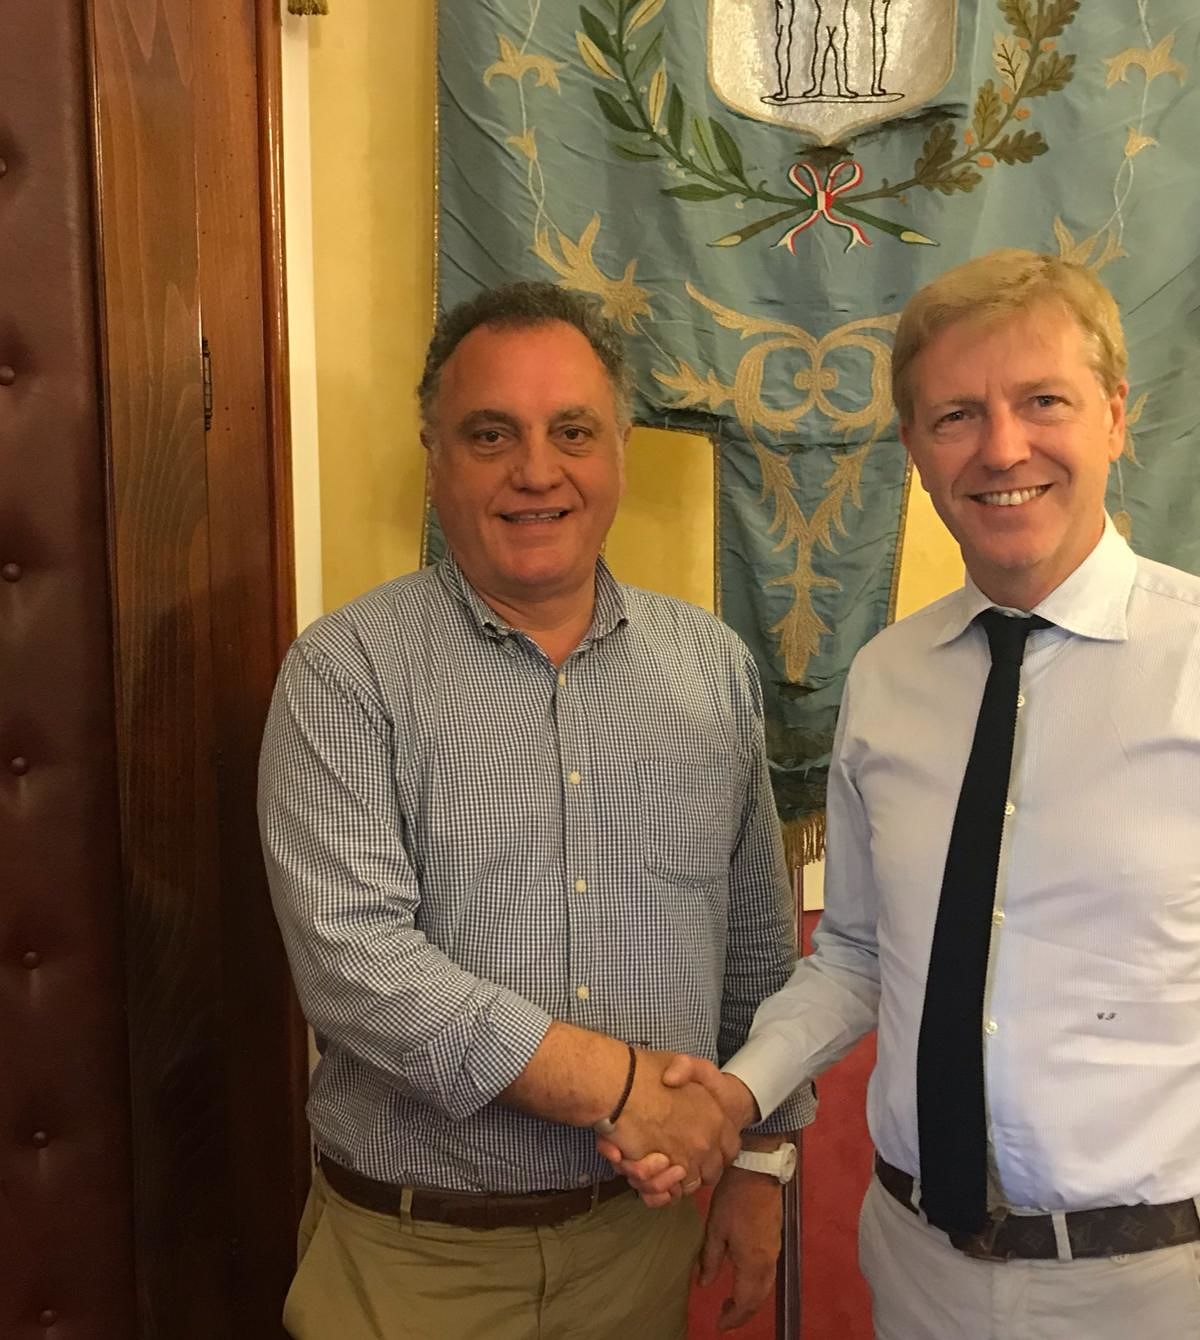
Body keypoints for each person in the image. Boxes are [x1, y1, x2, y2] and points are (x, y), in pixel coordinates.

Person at [615, 249, 1200, 1339]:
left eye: (1043, 401)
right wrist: (737, 1090)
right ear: (914, 449)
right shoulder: (887, 680)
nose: (1002, 449)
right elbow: (856, 953)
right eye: (956, 416)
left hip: (1157, 1292)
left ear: (1115, 416)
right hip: (917, 1269)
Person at [258, 280, 812, 1340]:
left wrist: (758, 1156)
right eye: (490, 434)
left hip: (639, 1249)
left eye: (573, 431)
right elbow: (354, 962)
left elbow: (753, 941)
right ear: (434, 456)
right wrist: (618, 1086)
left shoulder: (710, 667)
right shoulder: (345, 672)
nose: (536, 470)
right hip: (417, 1264)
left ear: (621, 451)